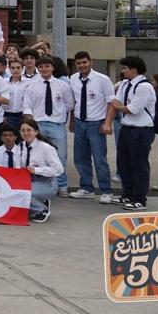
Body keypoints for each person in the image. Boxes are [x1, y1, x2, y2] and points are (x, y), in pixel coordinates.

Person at [106, 56, 157, 211]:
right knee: (123, 163)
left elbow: (133, 109)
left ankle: (140, 199)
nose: (122, 71)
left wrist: (118, 105)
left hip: (141, 130)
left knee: (139, 165)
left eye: (125, 68)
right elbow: (117, 101)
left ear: (134, 70)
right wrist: (118, 105)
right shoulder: (125, 84)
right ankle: (127, 194)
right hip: (126, 127)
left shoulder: (144, 87)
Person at [67, 51, 115, 203]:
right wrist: (72, 121)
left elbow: (111, 103)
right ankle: (86, 188)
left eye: (84, 62)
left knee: (99, 159)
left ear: (90, 62)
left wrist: (107, 123)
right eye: (79, 63)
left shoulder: (102, 80)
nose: (82, 65)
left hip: (96, 124)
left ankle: (106, 190)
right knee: (80, 158)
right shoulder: (73, 79)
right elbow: (74, 102)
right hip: (79, 122)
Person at [22, 56, 72, 197]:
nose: (44, 69)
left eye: (47, 66)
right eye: (41, 67)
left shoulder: (63, 86)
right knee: (38, 155)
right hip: (38, 124)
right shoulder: (32, 86)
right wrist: (32, 124)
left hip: (57, 125)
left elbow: (69, 104)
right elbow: (27, 106)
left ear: (52, 67)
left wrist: (59, 115)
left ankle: (62, 185)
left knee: (60, 156)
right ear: (38, 69)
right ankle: (41, 184)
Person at [20, 118, 64, 223]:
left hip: (47, 183)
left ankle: (41, 209)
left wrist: (37, 170)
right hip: (29, 181)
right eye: (23, 130)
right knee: (14, 191)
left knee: (24, 193)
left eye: (29, 130)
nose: (26, 133)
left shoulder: (46, 148)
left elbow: (59, 170)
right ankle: (39, 201)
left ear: (36, 132)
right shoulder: (21, 146)